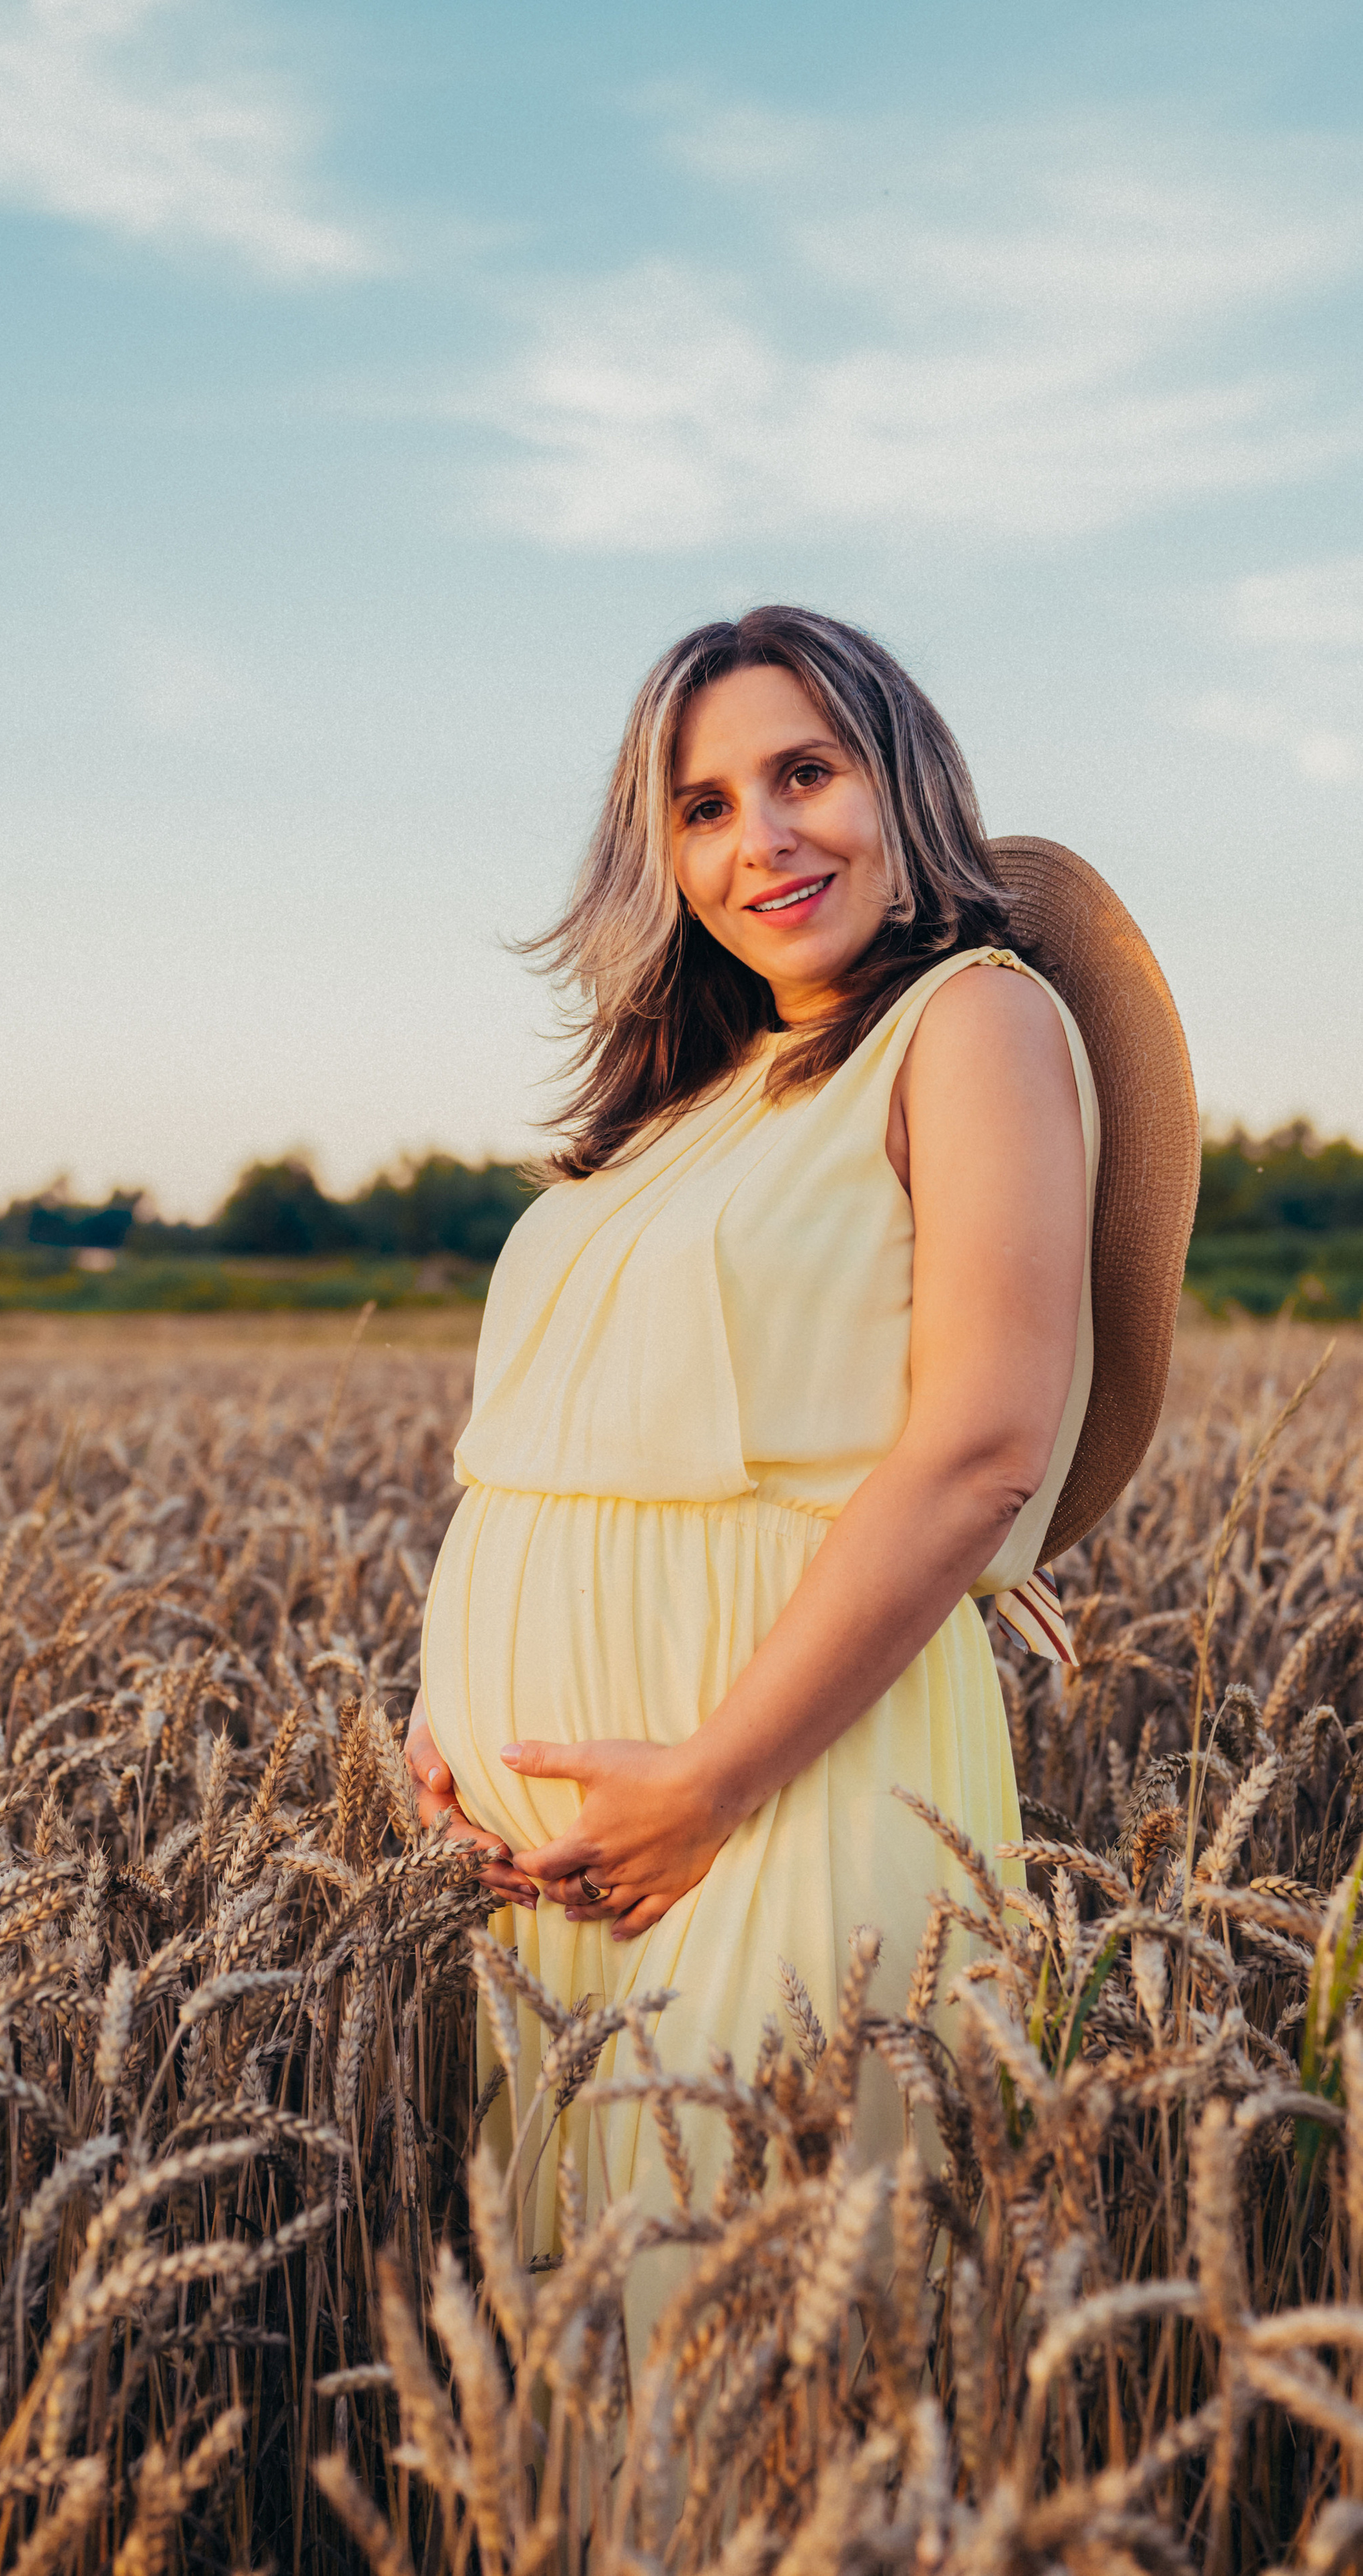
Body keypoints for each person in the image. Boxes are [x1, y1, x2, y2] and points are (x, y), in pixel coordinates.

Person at [403, 605, 1195, 2329]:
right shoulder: (691, 1094)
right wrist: (444, 1712)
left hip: (777, 1796)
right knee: (582, 2408)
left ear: (900, 781)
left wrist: (706, 1783)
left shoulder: (970, 1026)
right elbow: (549, 1450)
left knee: (759, 2366)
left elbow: (981, 1442)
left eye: (802, 772)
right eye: (700, 804)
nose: (757, 837)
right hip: (564, 1879)